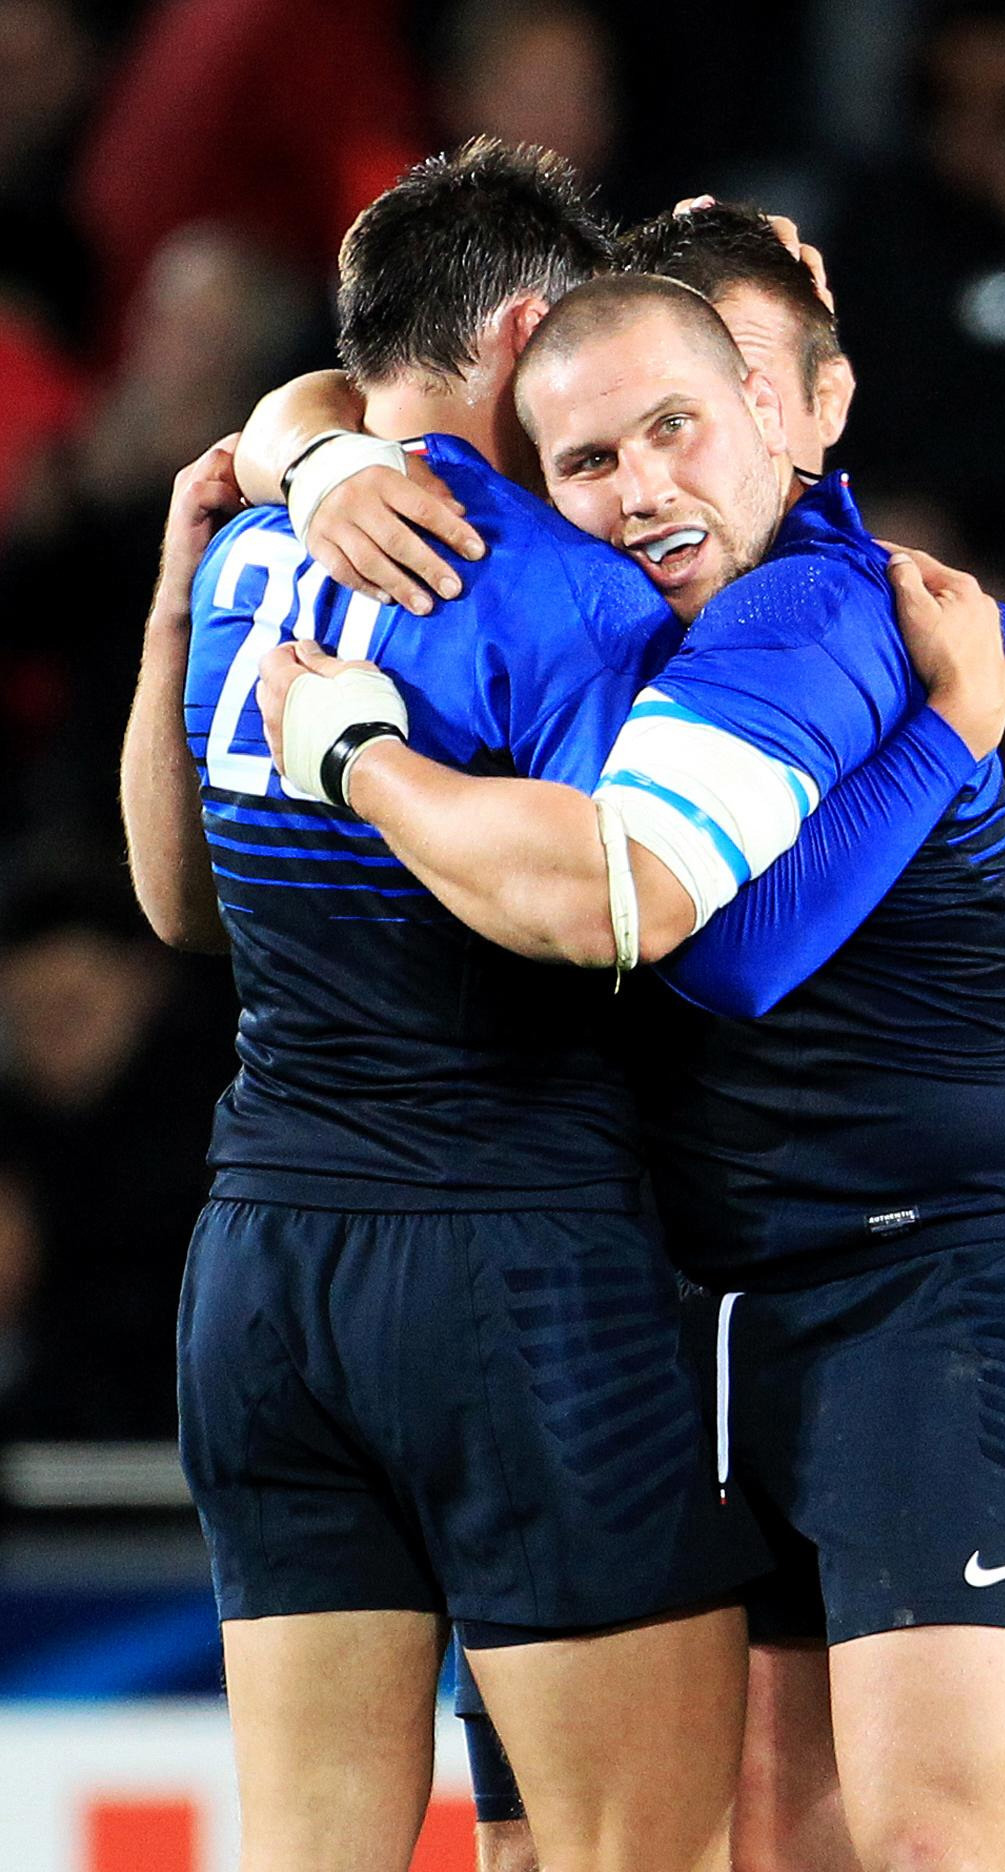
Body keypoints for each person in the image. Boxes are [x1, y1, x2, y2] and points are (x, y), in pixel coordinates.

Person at [245, 269, 1005, 1872]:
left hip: (940, 1298)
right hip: (663, 1327)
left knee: (931, 1851)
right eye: (592, 454)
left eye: (685, 426)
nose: (647, 483)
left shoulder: (888, 616)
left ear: (791, 420)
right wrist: (310, 449)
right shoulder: (567, 613)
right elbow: (341, 396)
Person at [111, 142, 765, 1872]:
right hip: (514, 1261)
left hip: (261, 1268)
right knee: (643, 1852)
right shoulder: (573, 592)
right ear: (534, 331)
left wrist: (264, 486)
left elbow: (177, 908)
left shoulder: (255, 548)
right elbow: (628, 921)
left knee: (318, 1848)